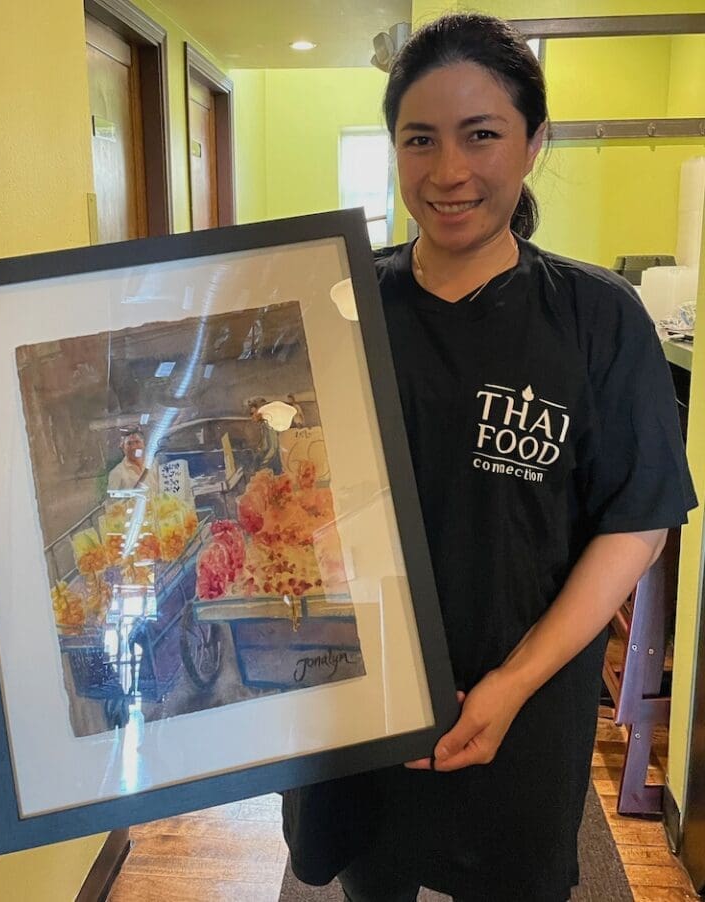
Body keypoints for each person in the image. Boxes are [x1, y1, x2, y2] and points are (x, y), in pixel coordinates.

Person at [281, 13, 697, 902]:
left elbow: (639, 521)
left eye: (482, 135)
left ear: (534, 142)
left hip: (526, 701)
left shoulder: (598, 317)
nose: (448, 172)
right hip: (360, 700)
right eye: (419, 139)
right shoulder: (341, 307)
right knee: (372, 877)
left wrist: (510, 685)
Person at [107, 427, 158, 494]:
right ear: (122, 447)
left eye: (137, 442)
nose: (134, 447)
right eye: (129, 443)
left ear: (144, 444)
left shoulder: (154, 464)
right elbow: (112, 501)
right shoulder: (117, 473)